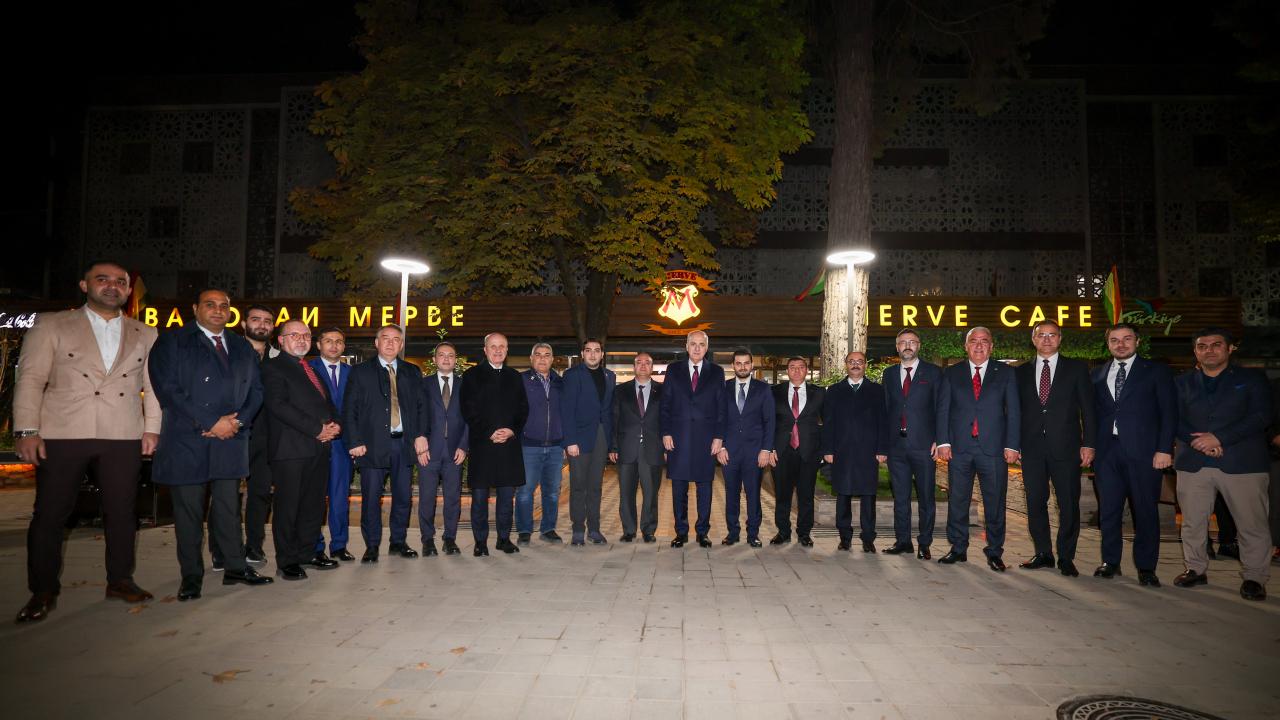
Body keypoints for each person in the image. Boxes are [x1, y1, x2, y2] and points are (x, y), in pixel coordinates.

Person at [13, 261, 162, 622]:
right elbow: (30, 379)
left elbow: (153, 385)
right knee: (50, 514)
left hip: (122, 433)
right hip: (63, 431)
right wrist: (27, 430)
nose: (112, 286)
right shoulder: (51, 324)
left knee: (122, 512)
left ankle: (120, 580)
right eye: (102, 279)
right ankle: (42, 590)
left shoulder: (146, 332)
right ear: (84, 285)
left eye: (120, 282)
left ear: (128, 290)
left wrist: (152, 428)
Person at [148, 289, 272, 601]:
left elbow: (257, 391)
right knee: (189, 513)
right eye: (210, 305)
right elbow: (168, 390)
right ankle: (191, 577)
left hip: (231, 438)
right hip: (188, 439)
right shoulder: (173, 341)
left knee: (229, 509)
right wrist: (210, 422)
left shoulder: (241, 346)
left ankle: (235, 567)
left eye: (224, 306)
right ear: (195, 308)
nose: (218, 310)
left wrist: (237, 423)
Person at [1171, 328, 1271, 601]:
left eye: (1216, 345)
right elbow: (1171, 418)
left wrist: (1219, 438)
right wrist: (1199, 442)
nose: (1209, 350)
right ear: (1195, 351)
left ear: (1229, 349)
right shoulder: (1181, 383)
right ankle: (1195, 569)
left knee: (1251, 523)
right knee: (1193, 522)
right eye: (1202, 346)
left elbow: (1261, 416)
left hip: (1242, 462)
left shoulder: (1252, 379)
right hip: (1194, 462)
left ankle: (1255, 577)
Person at [1090, 322, 1176, 587]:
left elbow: (1169, 412)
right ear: (1108, 344)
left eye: (1127, 339)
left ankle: (1146, 567)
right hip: (1107, 452)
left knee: (1145, 510)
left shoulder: (1156, 371)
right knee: (1109, 510)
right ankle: (1110, 561)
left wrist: (1164, 449)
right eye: (1114, 340)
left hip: (1145, 452)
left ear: (1137, 341)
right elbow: (1092, 414)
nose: (1121, 344)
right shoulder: (1097, 373)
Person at [1014, 320, 1096, 577]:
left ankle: (1066, 557)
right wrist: (1014, 444)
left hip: (1067, 448)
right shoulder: (1020, 372)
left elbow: (1089, 410)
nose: (1047, 339)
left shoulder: (1077, 369)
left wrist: (1089, 443)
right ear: (1033, 339)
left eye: (1052, 335)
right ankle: (1043, 553)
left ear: (1060, 339)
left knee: (1068, 504)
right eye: (1041, 335)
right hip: (1032, 449)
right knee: (1035, 501)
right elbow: (1014, 412)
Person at [260, 320, 341, 580]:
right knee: (288, 508)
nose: (301, 339)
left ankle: (307, 553)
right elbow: (278, 405)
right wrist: (317, 429)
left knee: (313, 506)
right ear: (280, 340)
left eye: (306, 335)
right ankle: (287, 561)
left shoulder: (309, 368)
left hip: (318, 448)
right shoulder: (272, 367)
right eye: (294, 335)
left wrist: (335, 424)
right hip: (290, 450)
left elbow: (326, 403)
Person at [935, 326, 1021, 572]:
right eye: (974, 341)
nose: (979, 345)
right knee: (958, 501)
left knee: (995, 503)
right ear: (966, 346)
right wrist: (943, 442)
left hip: (993, 449)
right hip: (960, 449)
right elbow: (943, 409)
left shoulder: (1005, 373)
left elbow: (1014, 411)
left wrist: (1012, 444)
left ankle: (994, 551)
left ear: (991, 346)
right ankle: (958, 548)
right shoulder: (952, 373)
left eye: (984, 341)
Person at [341, 325, 429, 562]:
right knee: (371, 497)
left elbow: (422, 406)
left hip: (404, 444)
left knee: (403, 497)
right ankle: (371, 546)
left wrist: (421, 435)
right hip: (371, 445)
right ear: (376, 343)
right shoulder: (360, 372)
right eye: (386, 338)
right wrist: (354, 441)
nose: (391, 343)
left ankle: (398, 542)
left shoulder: (412, 371)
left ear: (401, 344)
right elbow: (350, 409)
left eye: (396, 339)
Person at [460, 333, 529, 556]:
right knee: (480, 498)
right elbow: (468, 409)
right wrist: (489, 432)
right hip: (483, 446)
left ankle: (503, 539)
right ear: (485, 349)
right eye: (493, 346)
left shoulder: (514, 377)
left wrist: (511, 430)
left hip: (509, 446)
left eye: (502, 347)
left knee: (506, 498)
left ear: (507, 350)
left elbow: (523, 409)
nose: (498, 350)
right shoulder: (471, 376)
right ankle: (480, 542)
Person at [881, 329, 943, 559]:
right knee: (901, 498)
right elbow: (885, 410)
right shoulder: (888, 374)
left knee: (926, 497)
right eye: (903, 342)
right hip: (896, 447)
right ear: (897, 347)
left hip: (924, 446)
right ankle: (903, 541)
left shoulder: (934, 372)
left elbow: (941, 407)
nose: (907, 345)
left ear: (919, 345)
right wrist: (883, 445)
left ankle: (924, 543)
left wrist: (940, 439)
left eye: (912, 342)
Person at [661, 330, 725, 548]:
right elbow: (665, 404)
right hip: (678, 438)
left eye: (701, 344)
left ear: (707, 348)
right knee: (679, 487)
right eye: (693, 344)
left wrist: (719, 437)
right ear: (686, 347)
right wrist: (666, 432)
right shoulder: (673, 370)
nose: (697, 348)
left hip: (706, 440)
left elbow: (721, 408)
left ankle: (702, 532)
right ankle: (681, 532)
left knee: (704, 488)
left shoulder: (716, 372)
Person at [822, 351, 889, 551]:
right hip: (841, 451)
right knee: (843, 494)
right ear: (846, 365)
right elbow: (828, 423)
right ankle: (845, 537)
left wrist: (882, 448)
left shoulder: (877, 390)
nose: (856, 364)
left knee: (868, 496)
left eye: (860, 361)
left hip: (868, 452)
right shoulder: (834, 390)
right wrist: (828, 449)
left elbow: (883, 421)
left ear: (865, 365)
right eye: (852, 361)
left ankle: (868, 538)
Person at [717, 349, 775, 547]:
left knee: (753, 495)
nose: (742, 367)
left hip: (755, 452)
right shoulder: (723, 388)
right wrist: (721, 447)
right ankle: (732, 533)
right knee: (731, 494)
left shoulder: (763, 389)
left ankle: (753, 534)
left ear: (752, 365)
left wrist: (766, 449)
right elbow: (719, 420)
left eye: (746, 363)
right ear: (733, 365)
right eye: (738, 363)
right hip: (729, 452)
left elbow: (769, 421)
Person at [561, 338, 616, 545]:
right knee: (578, 485)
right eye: (588, 350)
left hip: (601, 436)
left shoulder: (610, 376)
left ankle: (594, 529)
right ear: (582, 354)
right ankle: (577, 529)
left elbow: (609, 411)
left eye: (597, 350)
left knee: (596, 486)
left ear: (602, 354)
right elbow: (566, 410)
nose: (593, 354)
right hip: (579, 438)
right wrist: (570, 441)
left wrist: (611, 443)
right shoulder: (572, 375)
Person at [418, 341, 469, 556]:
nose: (446, 358)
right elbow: (416, 415)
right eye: (442, 355)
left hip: (455, 451)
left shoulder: (465, 385)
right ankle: (427, 540)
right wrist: (420, 444)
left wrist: (464, 446)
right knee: (426, 498)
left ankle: (450, 539)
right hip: (429, 451)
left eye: (450, 355)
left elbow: (469, 419)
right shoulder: (423, 384)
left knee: (453, 498)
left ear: (455, 360)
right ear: (434, 359)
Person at [769, 357, 824, 548]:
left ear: (806, 370)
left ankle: (804, 533)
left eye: (801, 367)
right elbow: (768, 422)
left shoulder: (819, 393)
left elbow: (827, 423)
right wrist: (769, 448)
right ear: (787, 370)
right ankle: (783, 532)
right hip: (781, 451)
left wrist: (823, 450)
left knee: (806, 495)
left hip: (809, 452)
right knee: (782, 495)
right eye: (792, 367)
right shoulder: (774, 392)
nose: (797, 370)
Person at [310, 327, 355, 561]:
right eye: (328, 341)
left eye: (338, 341)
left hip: (342, 444)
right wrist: (320, 429)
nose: (334, 345)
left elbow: (356, 408)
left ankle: (339, 545)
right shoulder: (307, 369)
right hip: (314, 441)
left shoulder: (352, 373)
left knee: (339, 498)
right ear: (319, 345)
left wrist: (347, 433)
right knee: (314, 497)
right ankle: (315, 546)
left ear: (344, 346)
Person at [611, 352, 664, 543]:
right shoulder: (620, 391)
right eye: (639, 362)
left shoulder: (663, 390)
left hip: (653, 448)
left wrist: (667, 448)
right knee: (626, 493)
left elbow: (668, 420)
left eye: (647, 363)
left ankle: (648, 530)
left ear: (652, 367)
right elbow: (614, 419)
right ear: (634, 367)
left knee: (651, 493)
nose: (643, 365)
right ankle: (629, 530)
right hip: (626, 448)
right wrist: (613, 447)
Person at [240, 304, 278, 567]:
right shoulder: (230, 352)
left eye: (267, 321)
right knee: (225, 495)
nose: (262, 325)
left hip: (265, 436)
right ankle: (223, 549)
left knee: (260, 493)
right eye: (256, 319)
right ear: (244, 324)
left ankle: (254, 547)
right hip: (231, 432)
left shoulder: (278, 358)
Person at [518, 342, 565, 544]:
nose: (542, 358)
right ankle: (524, 530)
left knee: (552, 492)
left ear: (552, 359)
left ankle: (548, 529)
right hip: (529, 446)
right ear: (531, 359)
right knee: (525, 491)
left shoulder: (560, 383)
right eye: (538, 355)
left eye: (547, 355)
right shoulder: (521, 381)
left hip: (555, 447)